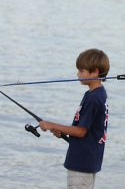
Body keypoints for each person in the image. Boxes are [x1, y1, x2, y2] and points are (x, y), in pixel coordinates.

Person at [39, 48, 110, 189]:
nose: (77, 74)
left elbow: (81, 131)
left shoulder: (94, 98)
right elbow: (87, 129)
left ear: (95, 72)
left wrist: (51, 124)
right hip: (88, 158)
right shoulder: (96, 93)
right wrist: (62, 132)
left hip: (81, 162)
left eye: (81, 71)